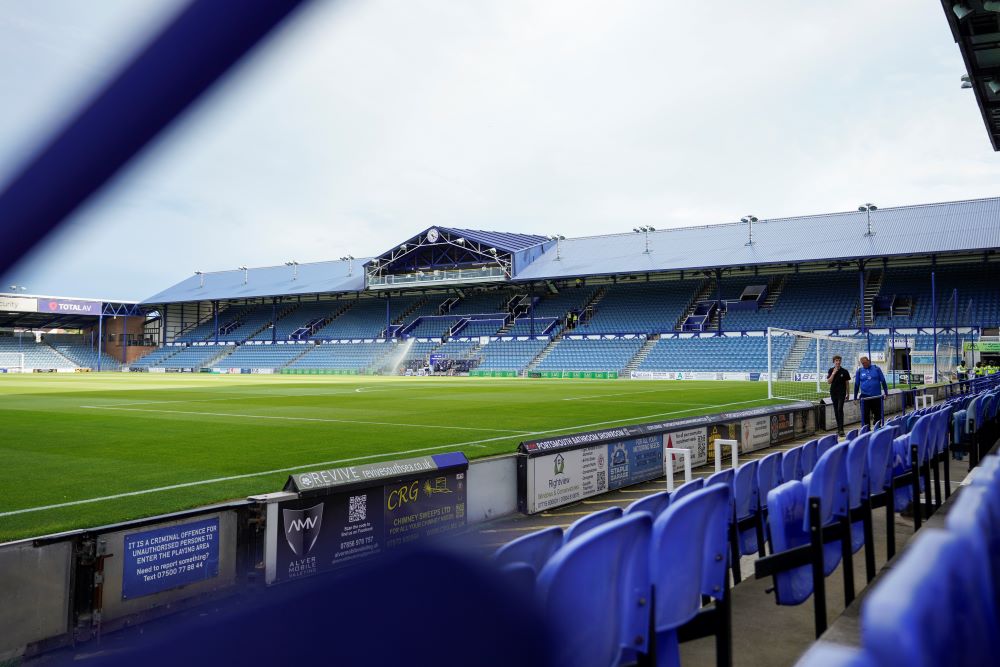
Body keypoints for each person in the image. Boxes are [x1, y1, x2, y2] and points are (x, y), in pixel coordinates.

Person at [854, 356, 889, 428]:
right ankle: (867, 429)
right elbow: (856, 385)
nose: (864, 365)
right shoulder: (859, 371)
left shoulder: (876, 369)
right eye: (863, 363)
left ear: (869, 361)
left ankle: (877, 427)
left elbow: (883, 381)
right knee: (865, 414)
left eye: (865, 363)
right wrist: (855, 398)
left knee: (878, 414)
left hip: (876, 396)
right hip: (865, 396)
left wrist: (886, 393)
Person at [827, 355, 851, 437]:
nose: (838, 362)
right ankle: (839, 428)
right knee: (836, 410)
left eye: (839, 360)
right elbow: (829, 382)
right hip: (833, 393)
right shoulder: (831, 370)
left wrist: (848, 393)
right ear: (834, 362)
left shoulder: (844, 371)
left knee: (840, 409)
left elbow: (847, 383)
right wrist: (833, 373)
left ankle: (841, 430)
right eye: (836, 361)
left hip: (842, 393)